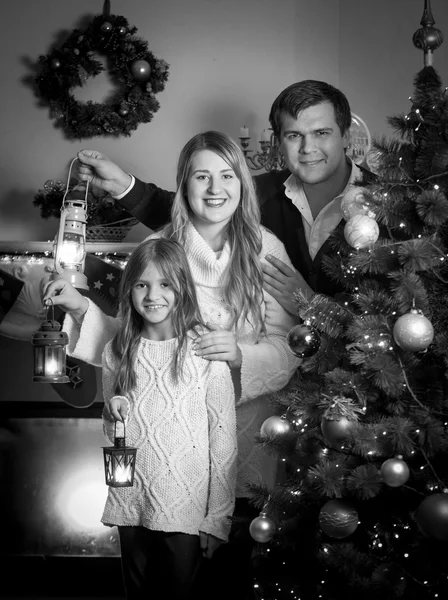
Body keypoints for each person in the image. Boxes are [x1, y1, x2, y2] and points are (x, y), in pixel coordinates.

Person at [43, 130, 301, 600]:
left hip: (245, 439)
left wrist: (243, 355)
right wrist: (82, 310)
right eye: (201, 176)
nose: (215, 188)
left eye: (227, 175)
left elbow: (292, 346)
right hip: (167, 449)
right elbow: (132, 343)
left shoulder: (265, 250)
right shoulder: (162, 248)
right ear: (183, 186)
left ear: (242, 184)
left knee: (229, 575)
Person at [75, 79, 374, 314]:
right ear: (279, 141)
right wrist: (119, 184)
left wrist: (312, 305)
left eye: (321, 133)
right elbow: (192, 212)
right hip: (282, 374)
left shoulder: (388, 203)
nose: (308, 148)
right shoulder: (262, 192)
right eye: (294, 135)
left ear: (346, 135)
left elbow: (396, 312)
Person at [100, 237, 237, 600]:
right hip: (130, 501)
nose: (152, 295)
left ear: (182, 289)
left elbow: (223, 439)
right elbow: (113, 430)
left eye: (165, 284)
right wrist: (112, 413)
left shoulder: (204, 350)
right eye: (142, 284)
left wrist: (218, 517)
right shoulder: (117, 351)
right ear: (129, 289)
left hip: (185, 507)